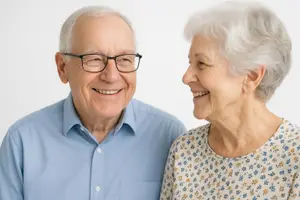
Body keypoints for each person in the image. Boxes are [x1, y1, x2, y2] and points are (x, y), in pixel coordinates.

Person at [0, 6, 186, 200]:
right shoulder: (21, 142)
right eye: (94, 59)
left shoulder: (171, 137)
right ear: (62, 67)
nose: (112, 76)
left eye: (124, 59)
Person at [160, 1, 300, 199]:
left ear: (251, 76)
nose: (186, 77)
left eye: (202, 64)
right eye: (190, 62)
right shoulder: (184, 151)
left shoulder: (295, 156)